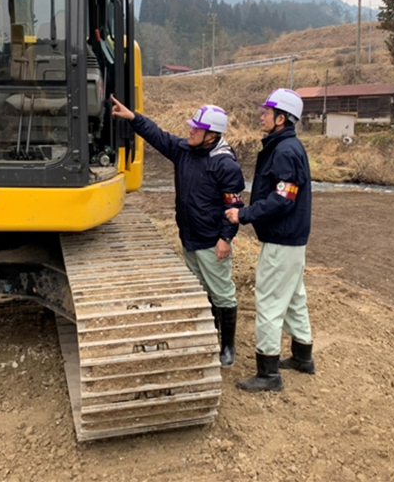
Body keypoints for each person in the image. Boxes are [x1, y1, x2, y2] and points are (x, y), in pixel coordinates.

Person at [111, 97, 245, 367]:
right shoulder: (184, 150)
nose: (190, 131)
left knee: (222, 292)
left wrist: (225, 239)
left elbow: (234, 206)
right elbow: (158, 136)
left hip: (211, 241)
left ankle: (228, 347)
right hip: (189, 238)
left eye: (196, 129)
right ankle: (211, 334)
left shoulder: (225, 164)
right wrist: (133, 117)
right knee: (202, 289)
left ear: (211, 135)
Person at [225, 88, 314, 393]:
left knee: (270, 302)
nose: (261, 116)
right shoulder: (285, 146)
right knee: (294, 297)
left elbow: (282, 199)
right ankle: (303, 357)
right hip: (291, 239)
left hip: (282, 239)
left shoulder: (285, 151)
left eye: (266, 112)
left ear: (281, 119)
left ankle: (268, 373)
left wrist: (245, 215)